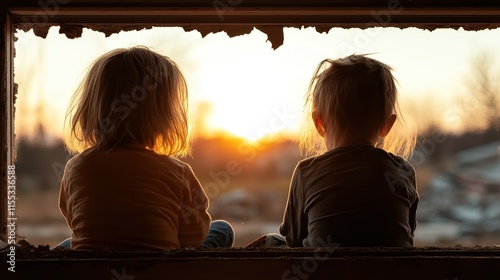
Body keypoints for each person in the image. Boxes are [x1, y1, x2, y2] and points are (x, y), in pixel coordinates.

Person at [56, 46, 234, 250]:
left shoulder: (75, 168)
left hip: (92, 268)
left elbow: (74, 219)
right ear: (165, 118)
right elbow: (193, 237)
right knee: (222, 229)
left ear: (89, 108)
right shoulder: (179, 173)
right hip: (161, 270)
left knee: (67, 245)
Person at [279, 54, 418, 247]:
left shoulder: (306, 173)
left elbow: (293, 242)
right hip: (393, 275)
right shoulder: (404, 171)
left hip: (322, 274)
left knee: (270, 239)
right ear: (387, 124)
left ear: (319, 123)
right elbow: (405, 237)